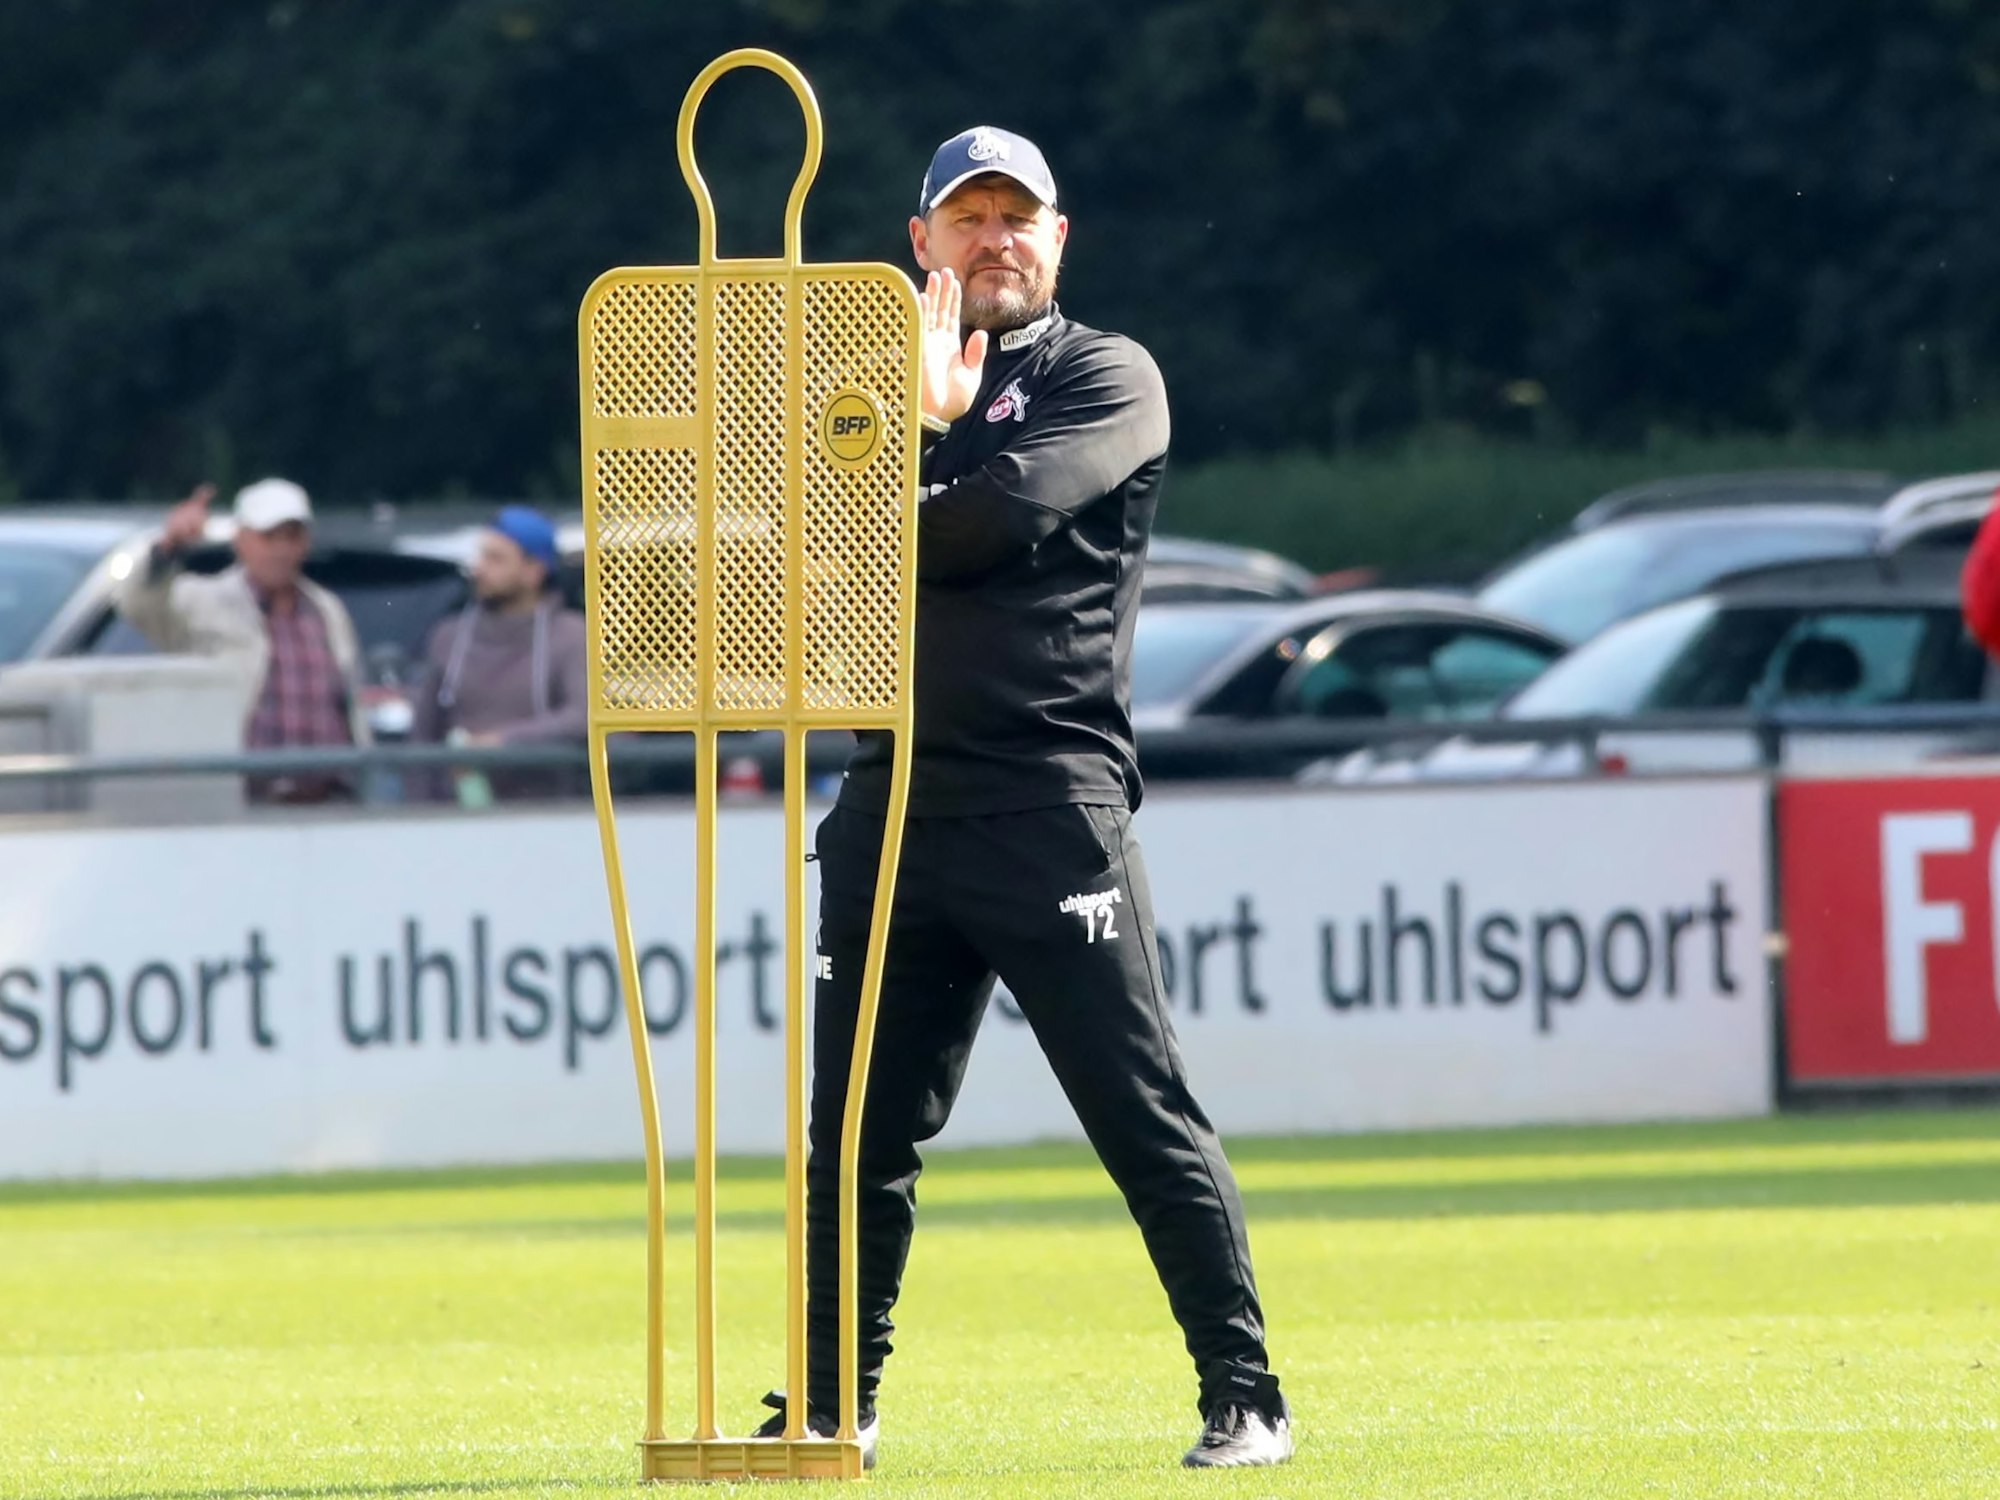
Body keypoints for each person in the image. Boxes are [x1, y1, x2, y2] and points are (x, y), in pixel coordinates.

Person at [753, 127, 1292, 1470]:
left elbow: (982, 527)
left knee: (1137, 1111)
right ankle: (831, 1403)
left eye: (1016, 217)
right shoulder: (863, 389)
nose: (992, 239)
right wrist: (904, 432)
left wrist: (922, 437)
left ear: (1057, 237)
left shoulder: (1106, 374)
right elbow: (789, 550)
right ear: (920, 242)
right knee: (854, 1137)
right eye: (967, 217)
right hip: (890, 805)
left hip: (1047, 805)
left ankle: (1245, 1395)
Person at [117, 477, 369, 803]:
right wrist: (169, 546)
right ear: (241, 539)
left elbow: (350, 702)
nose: (281, 549)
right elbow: (138, 604)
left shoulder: (328, 610)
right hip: (246, 805)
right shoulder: (203, 601)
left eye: (292, 536)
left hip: (333, 803)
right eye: (268, 537)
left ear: (305, 542)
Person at [410, 505, 588, 802]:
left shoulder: (571, 635)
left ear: (534, 571)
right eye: (480, 556)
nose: (478, 569)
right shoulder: (448, 637)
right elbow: (423, 735)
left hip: (548, 812)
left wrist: (501, 743)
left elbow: (582, 717)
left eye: (495, 559)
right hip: (454, 815)